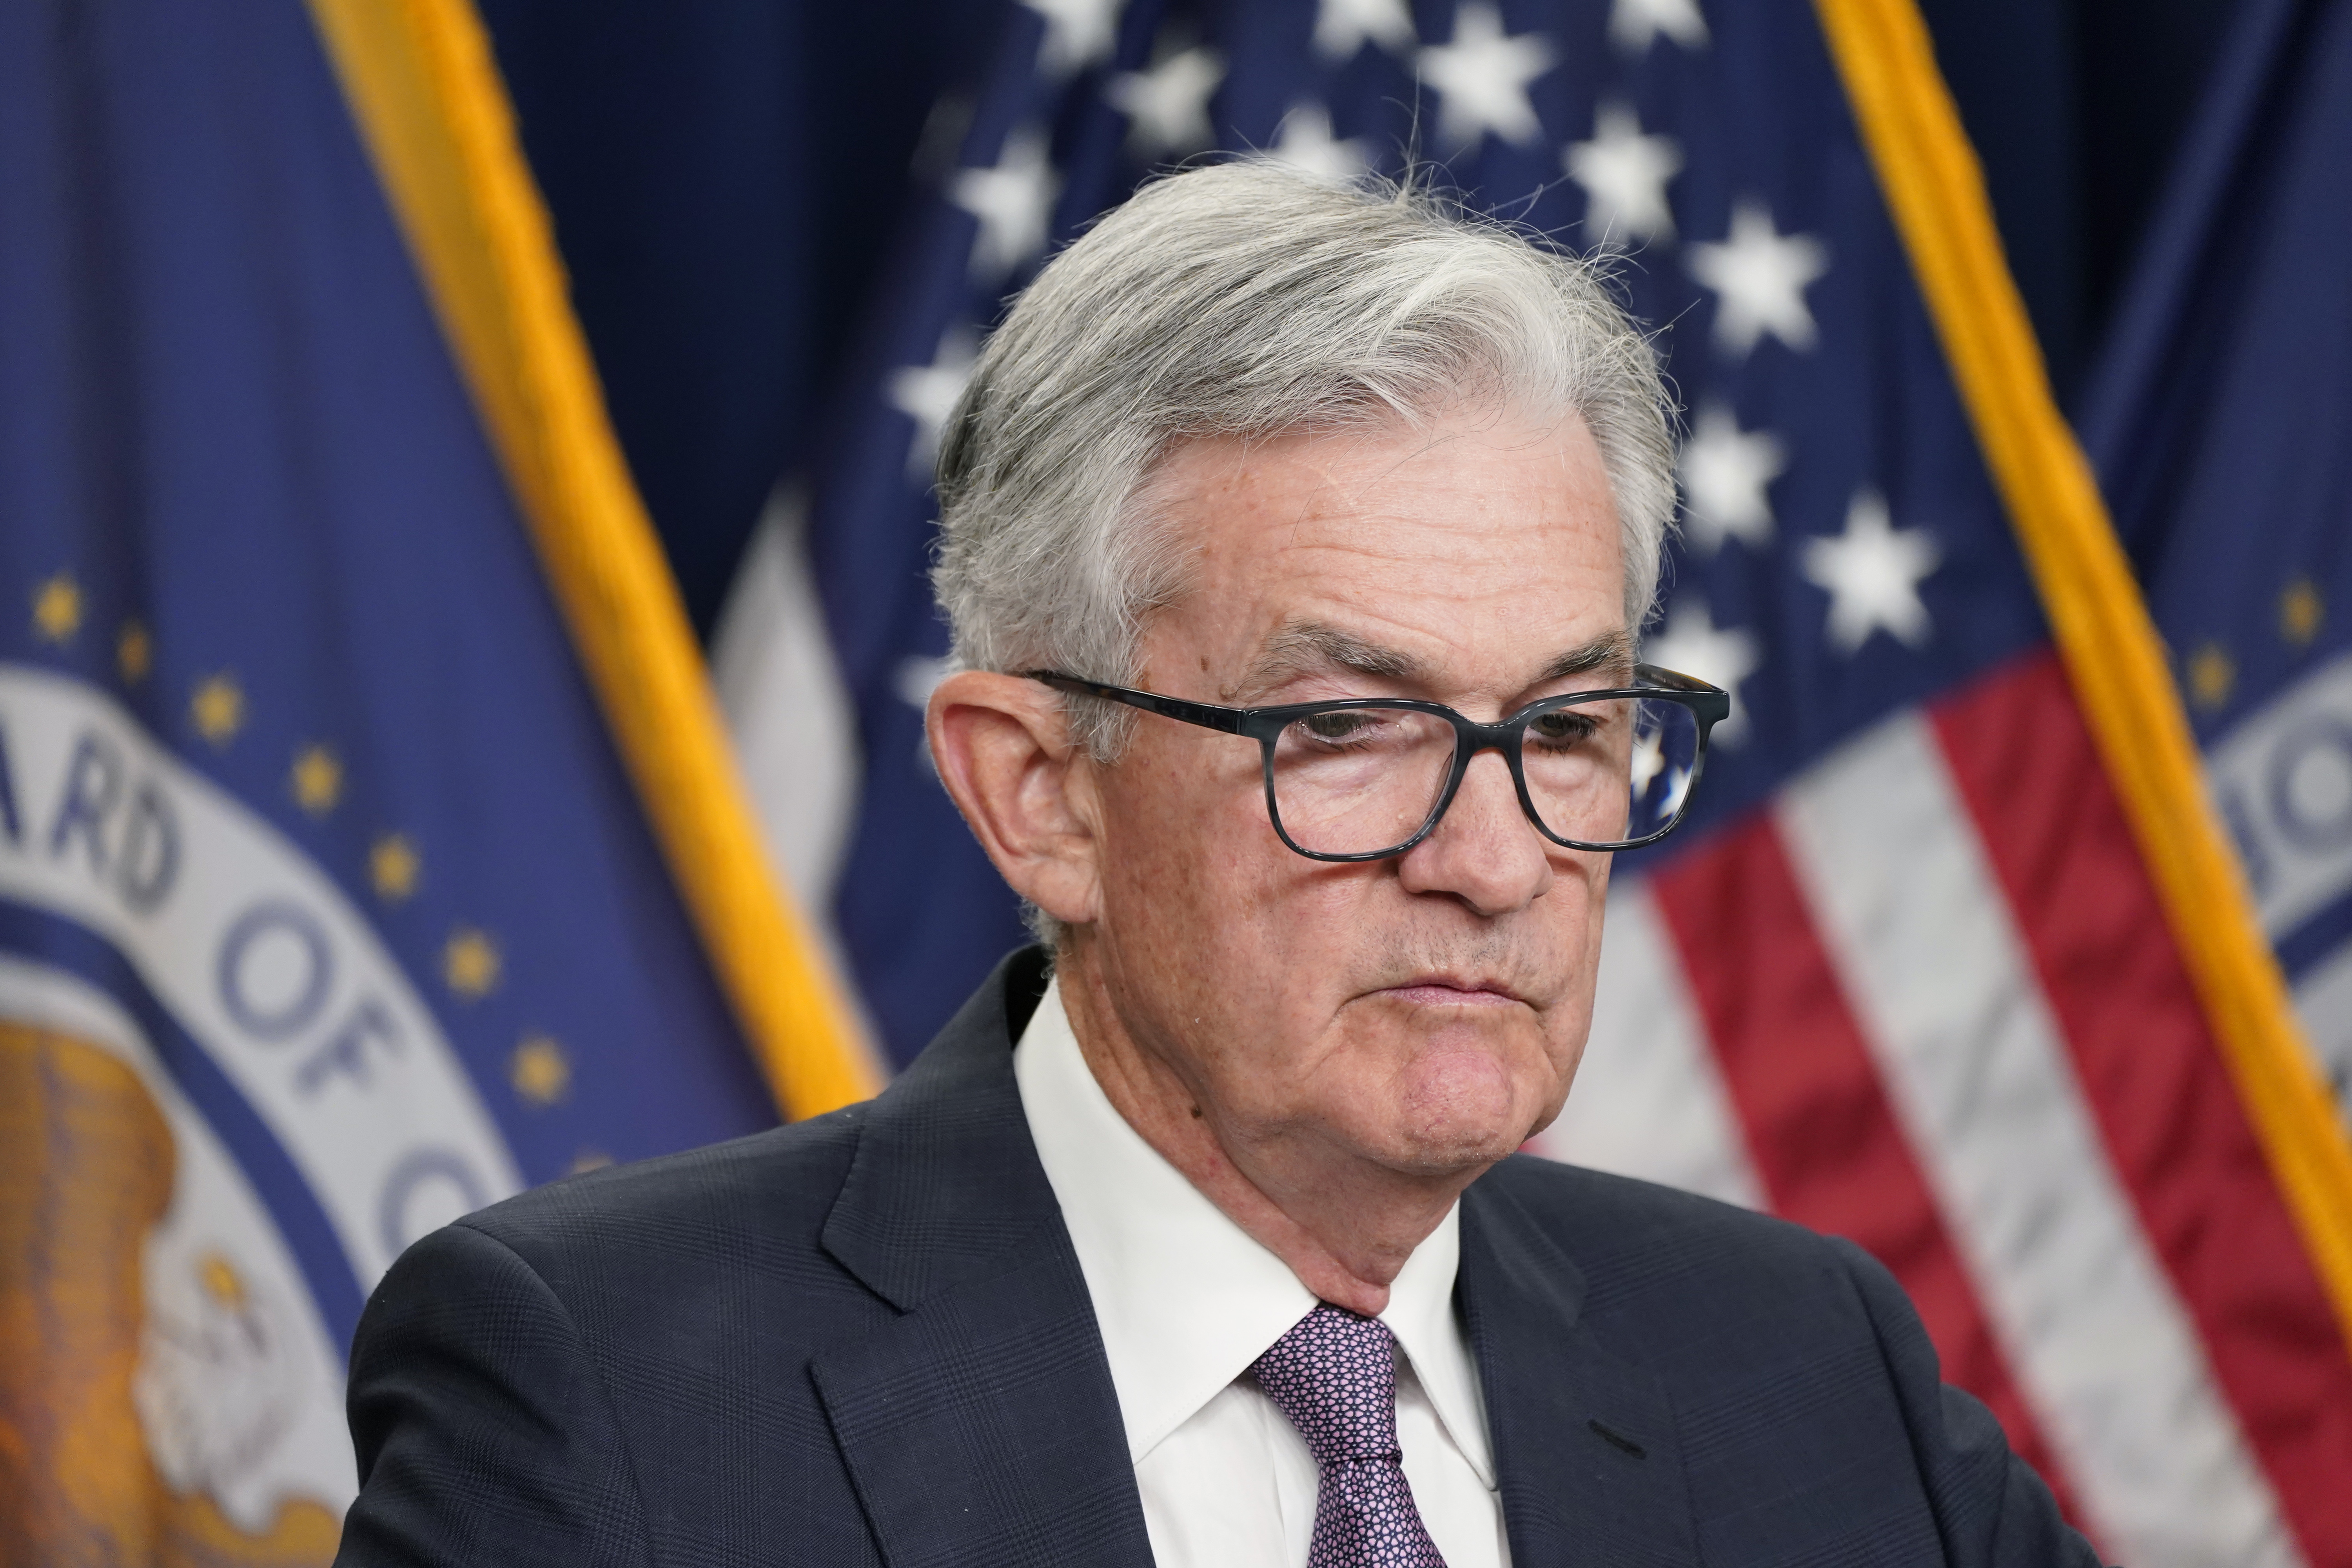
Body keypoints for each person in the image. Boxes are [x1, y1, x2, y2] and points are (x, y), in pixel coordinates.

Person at [333, 162, 2101, 1567]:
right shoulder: (608, 1396)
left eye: (1566, 727)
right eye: (1345, 728)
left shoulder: (1810, 1373)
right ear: (1040, 794)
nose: (1494, 860)